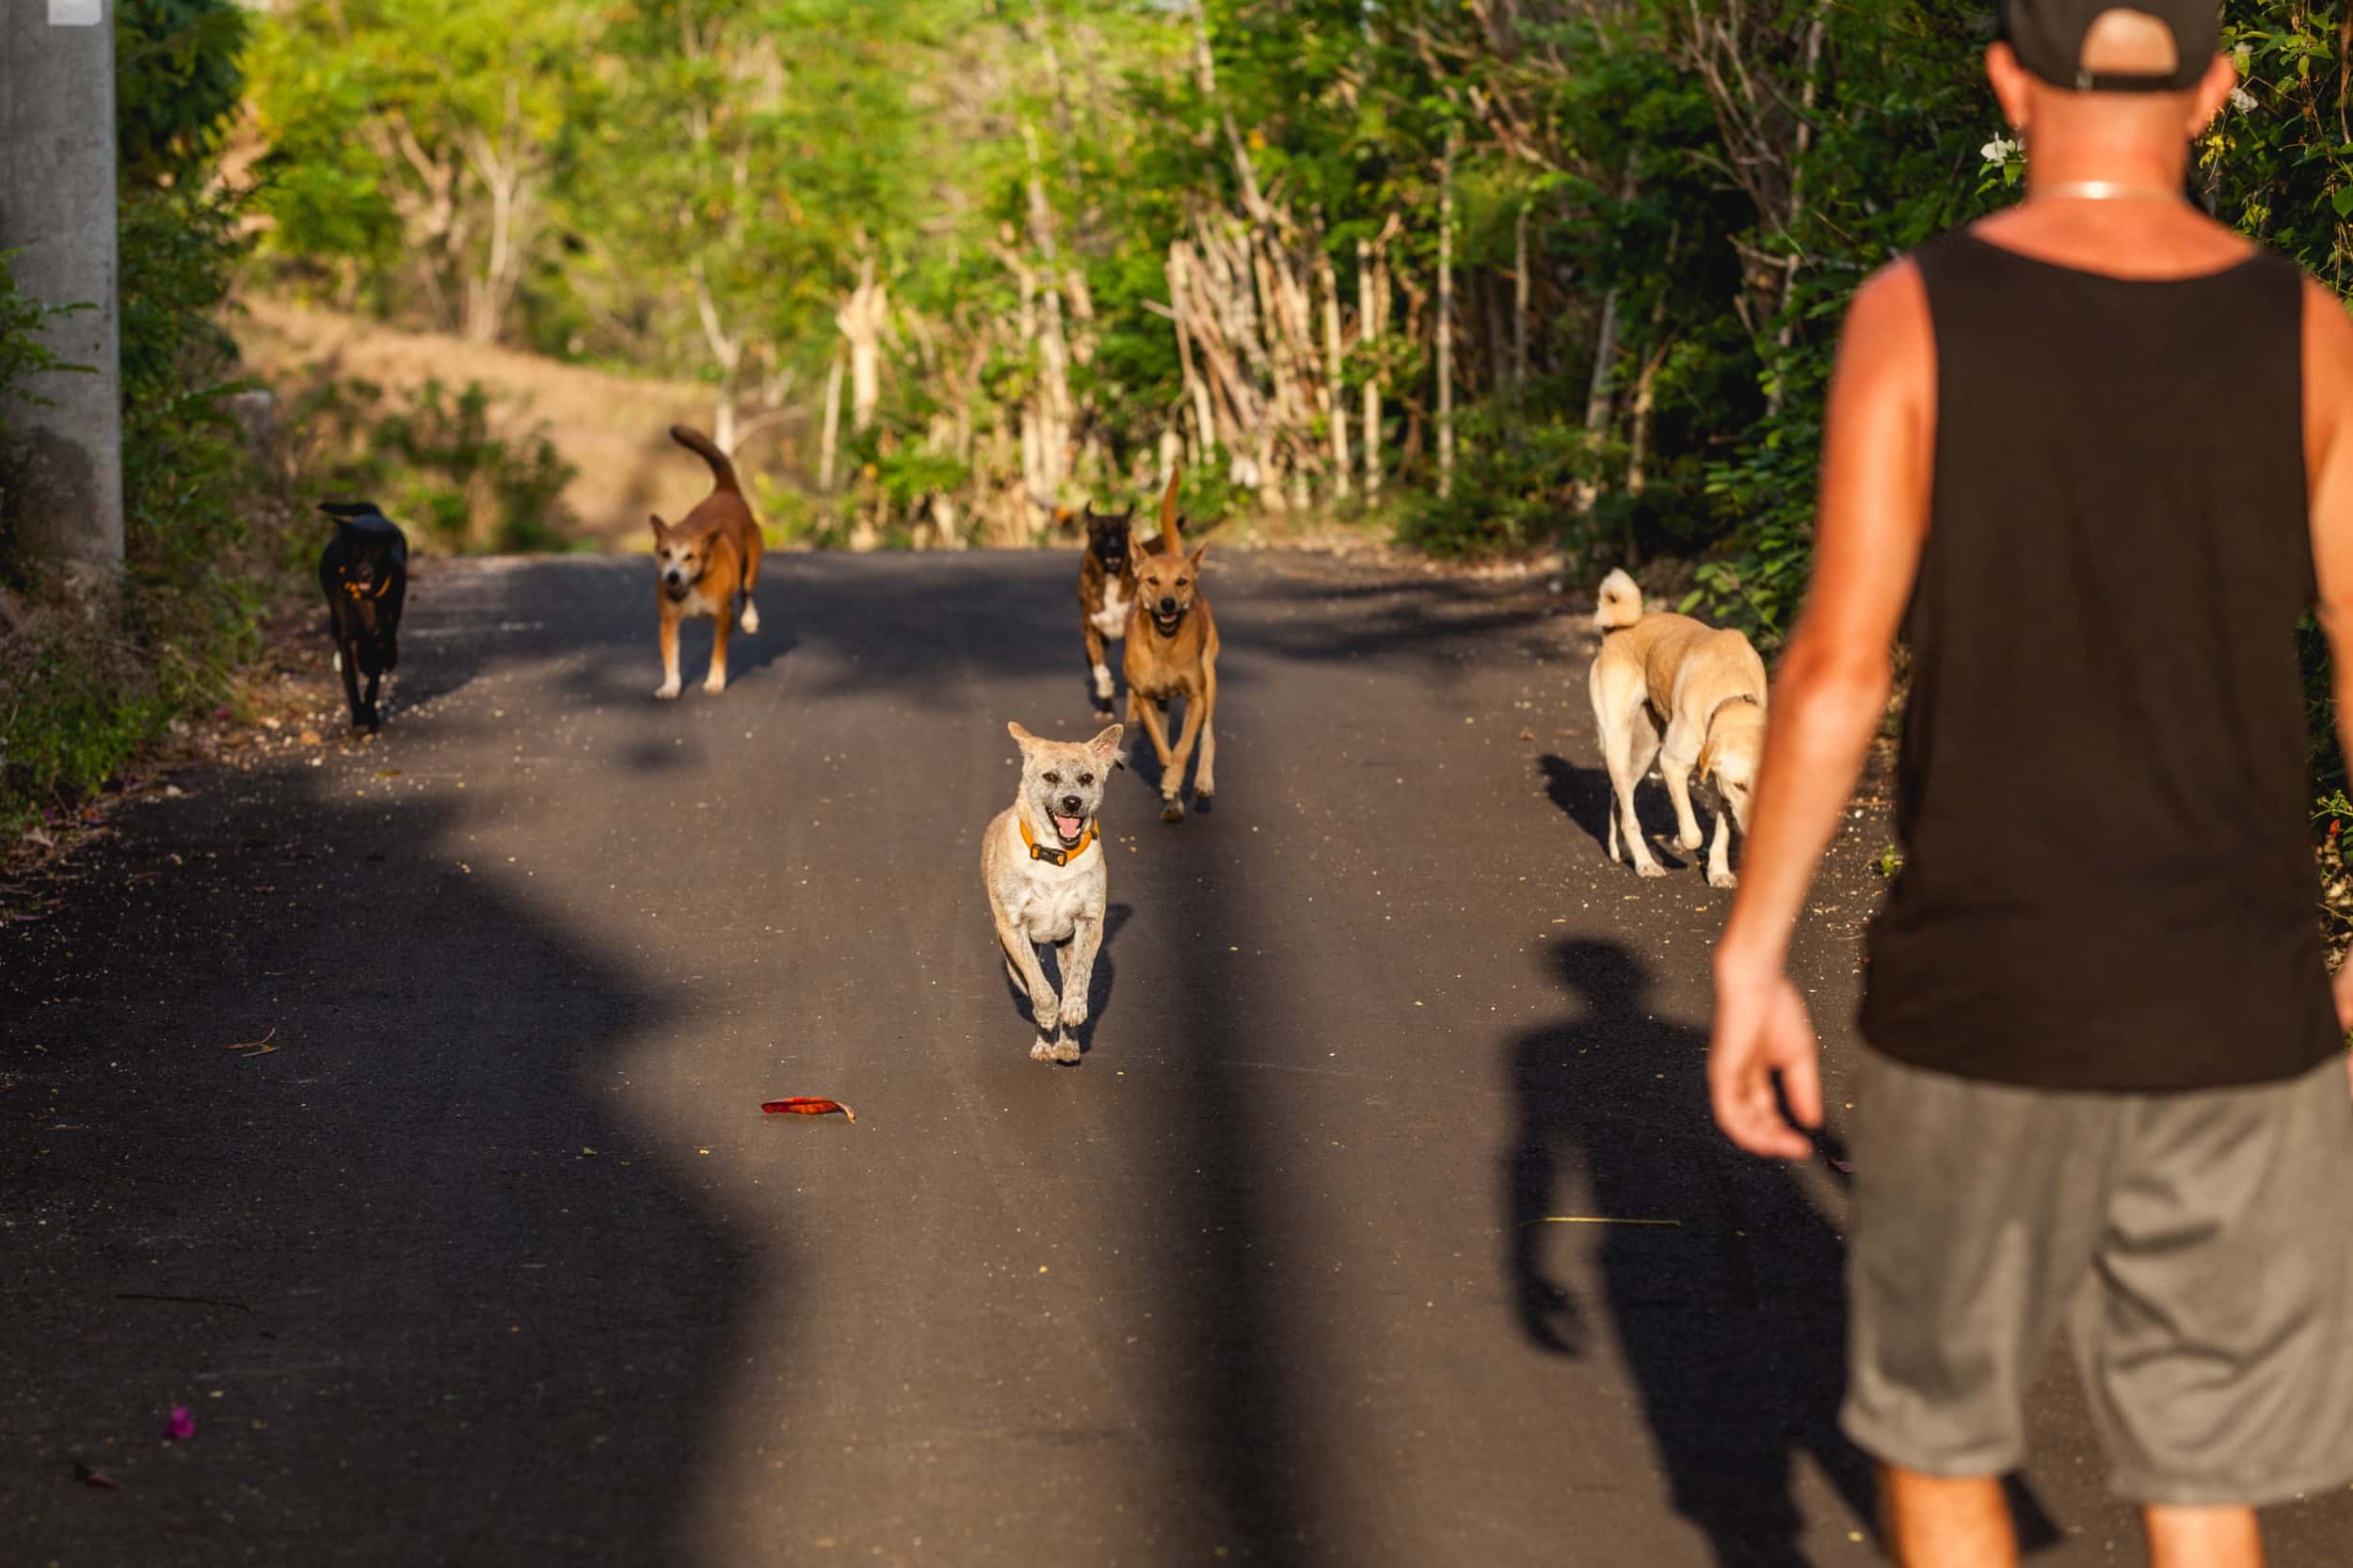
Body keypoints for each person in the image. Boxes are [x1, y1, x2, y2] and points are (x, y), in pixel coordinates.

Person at [1706, 3, 2353, 1565]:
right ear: (2214, 89)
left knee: (1944, 1446)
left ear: (2008, 79)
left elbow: (1838, 668)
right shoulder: (2313, 333)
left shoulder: (1917, 315)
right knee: (2206, 1476)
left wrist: (1751, 954)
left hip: (1987, 991)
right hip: (2239, 1003)